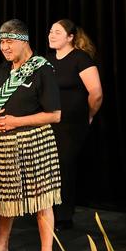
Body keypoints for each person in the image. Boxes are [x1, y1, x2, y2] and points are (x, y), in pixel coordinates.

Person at [0, 19, 62, 251]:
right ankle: (2, 246)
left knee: (41, 199)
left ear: (24, 41)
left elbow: (54, 115)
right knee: (5, 197)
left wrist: (16, 122)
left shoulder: (42, 70)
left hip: (35, 141)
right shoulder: (3, 70)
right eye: (2, 42)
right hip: (4, 142)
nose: (4, 47)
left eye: (9, 41)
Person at [46, 19, 103, 229]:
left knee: (64, 166)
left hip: (72, 124)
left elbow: (96, 93)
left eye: (57, 32)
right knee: (48, 167)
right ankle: (47, 212)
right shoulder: (47, 60)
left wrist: (87, 115)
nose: (52, 35)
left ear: (70, 37)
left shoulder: (80, 58)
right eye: (51, 31)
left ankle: (63, 216)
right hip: (49, 122)